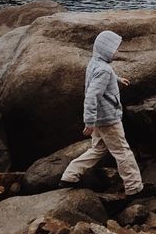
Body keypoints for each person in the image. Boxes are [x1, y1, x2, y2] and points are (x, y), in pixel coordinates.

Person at [60, 30, 143, 197]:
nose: (116, 52)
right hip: (108, 119)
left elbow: (101, 76)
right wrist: (89, 121)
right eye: (114, 49)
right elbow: (92, 95)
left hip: (100, 118)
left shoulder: (95, 63)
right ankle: (134, 187)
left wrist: (118, 79)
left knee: (97, 149)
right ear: (105, 50)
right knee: (122, 151)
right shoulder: (104, 69)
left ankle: (70, 175)